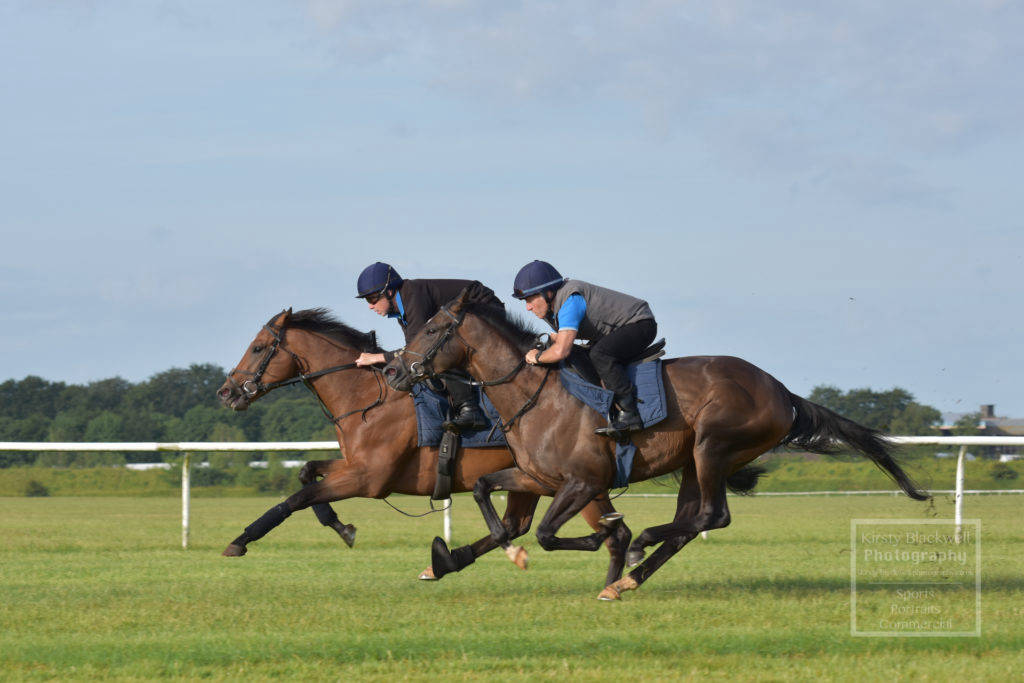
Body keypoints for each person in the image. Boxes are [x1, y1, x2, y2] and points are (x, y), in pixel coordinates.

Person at [512, 260, 657, 438]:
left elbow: (561, 351)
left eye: (530, 299)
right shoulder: (553, 307)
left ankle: (629, 413)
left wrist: (537, 357)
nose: (527, 307)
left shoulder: (570, 302)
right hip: (617, 330)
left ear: (547, 293)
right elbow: (562, 341)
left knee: (600, 354)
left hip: (641, 324)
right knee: (581, 355)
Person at [354, 262, 502, 431]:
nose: (370, 306)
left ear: (389, 292)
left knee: (441, 352)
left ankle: (470, 410)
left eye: (372, 298)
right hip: (469, 310)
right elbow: (411, 348)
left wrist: (377, 357)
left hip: (484, 306)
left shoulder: (413, 297)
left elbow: (413, 352)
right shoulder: (401, 306)